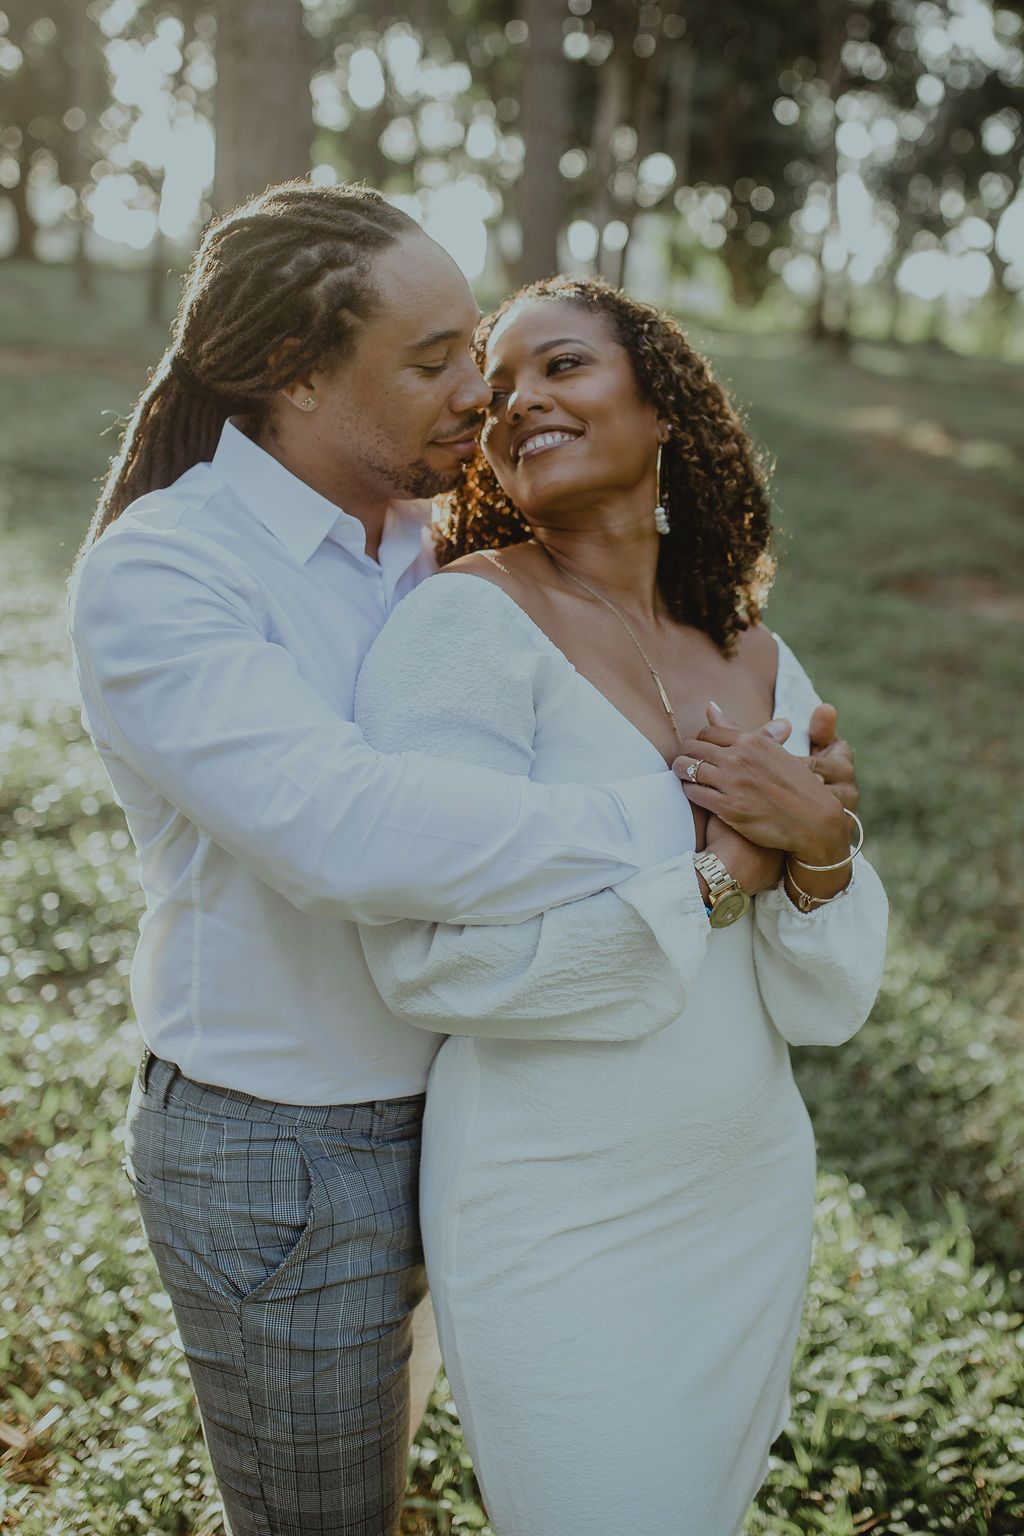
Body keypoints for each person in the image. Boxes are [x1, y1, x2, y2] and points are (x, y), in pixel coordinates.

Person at [67, 181, 857, 1536]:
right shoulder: (171, 570)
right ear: (295, 372)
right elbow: (347, 832)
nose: (478, 396)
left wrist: (809, 827)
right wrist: (703, 824)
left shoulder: (430, 547)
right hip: (290, 1143)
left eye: (475, 350)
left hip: (487, 1113)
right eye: (435, 361)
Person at [353, 275, 889, 1536]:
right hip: (553, 1199)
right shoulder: (466, 622)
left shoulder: (759, 655)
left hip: (744, 1184)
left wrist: (821, 850)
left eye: (562, 366)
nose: (517, 402)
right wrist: (717, 878)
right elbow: (431, 962)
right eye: (498, 390)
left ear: (662, 411)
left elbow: (823, 1004)